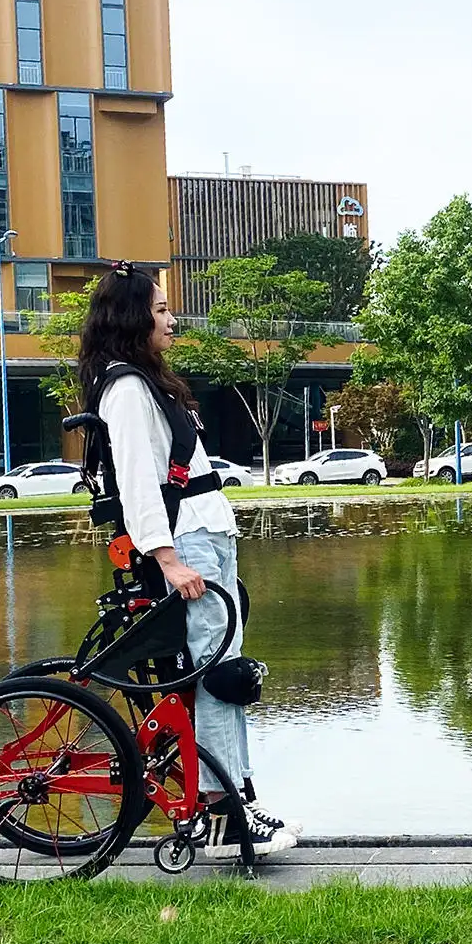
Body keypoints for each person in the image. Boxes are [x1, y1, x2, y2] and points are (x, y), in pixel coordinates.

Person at [76, 262, 298, 859]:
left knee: (229, 674)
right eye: (161, 311)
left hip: (206, 536)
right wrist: (169, 559)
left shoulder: (148, 384)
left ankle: (235, 795)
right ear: (132, 318)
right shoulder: (126, 388)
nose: (172, 321)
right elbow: (139, 483)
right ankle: (225, 814)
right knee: (218, 679)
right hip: (186, 544)